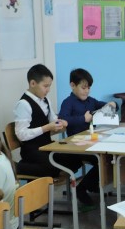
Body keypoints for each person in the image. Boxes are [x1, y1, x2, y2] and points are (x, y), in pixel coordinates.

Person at [14, 64, 98, 206]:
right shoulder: (23, 104)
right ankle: (17, 167)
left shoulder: (45, 100)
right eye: (45, 86)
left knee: (75, 159)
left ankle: (86, 187)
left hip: (46, 147)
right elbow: (21, 134)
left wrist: (59, 124)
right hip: (32, 151)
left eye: (49, 86)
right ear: (33, 83)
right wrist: (47, 128)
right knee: (52, 168)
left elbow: (53, 120)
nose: (48, 90)